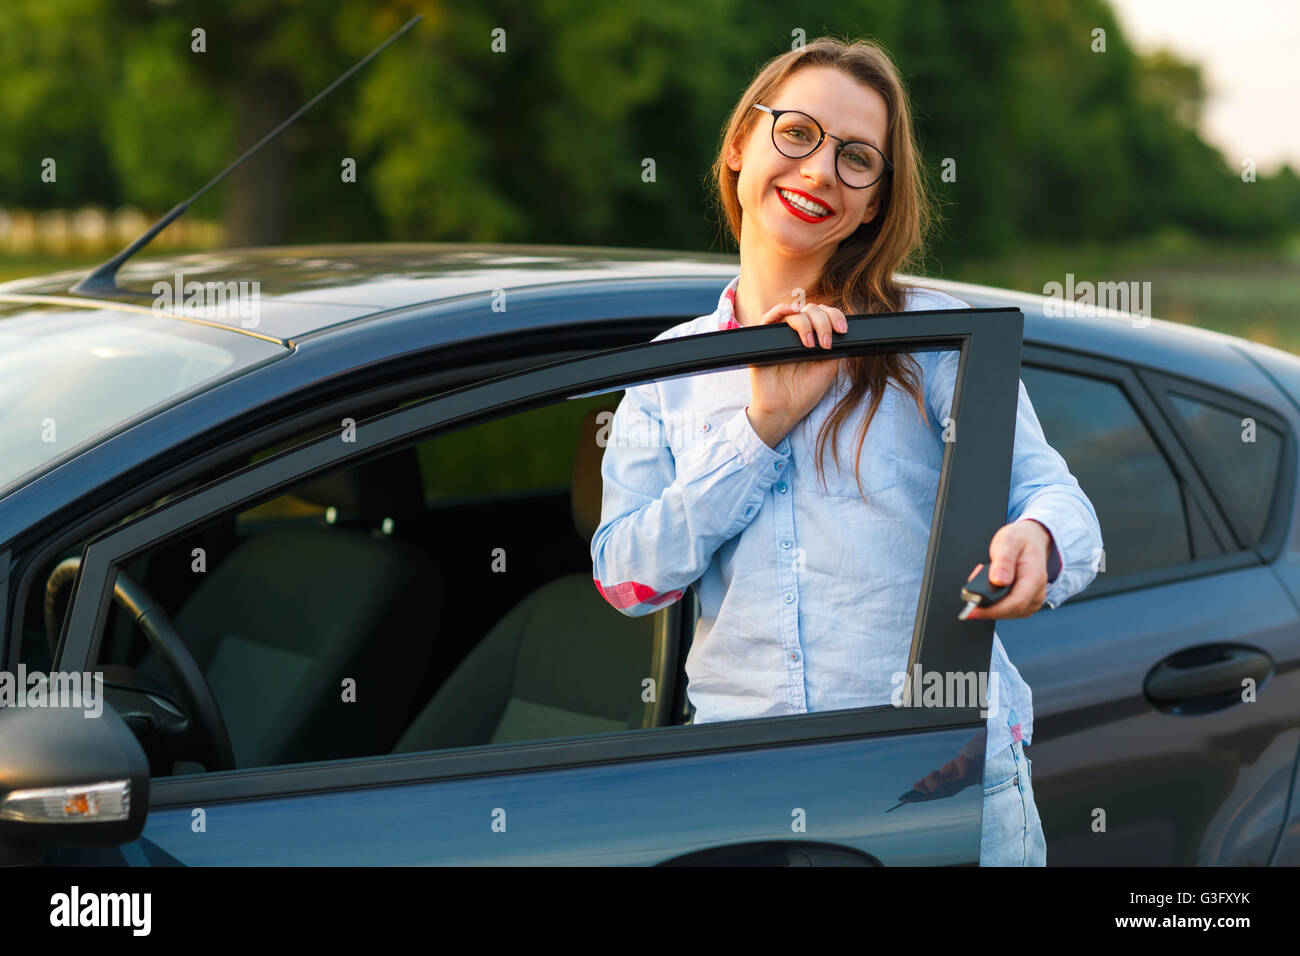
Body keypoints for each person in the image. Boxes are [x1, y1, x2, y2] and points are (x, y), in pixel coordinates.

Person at [590, 36, 1102, 866]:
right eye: (797, 133)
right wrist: (759, 429)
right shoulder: (669, 371)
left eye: (856, 159)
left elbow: (1055, 497)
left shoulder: (934, 338)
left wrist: (1037, 540)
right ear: (739, 145)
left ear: (872, 203)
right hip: (744, 790)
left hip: (937, 779)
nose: (821, 171)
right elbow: (626, 579)